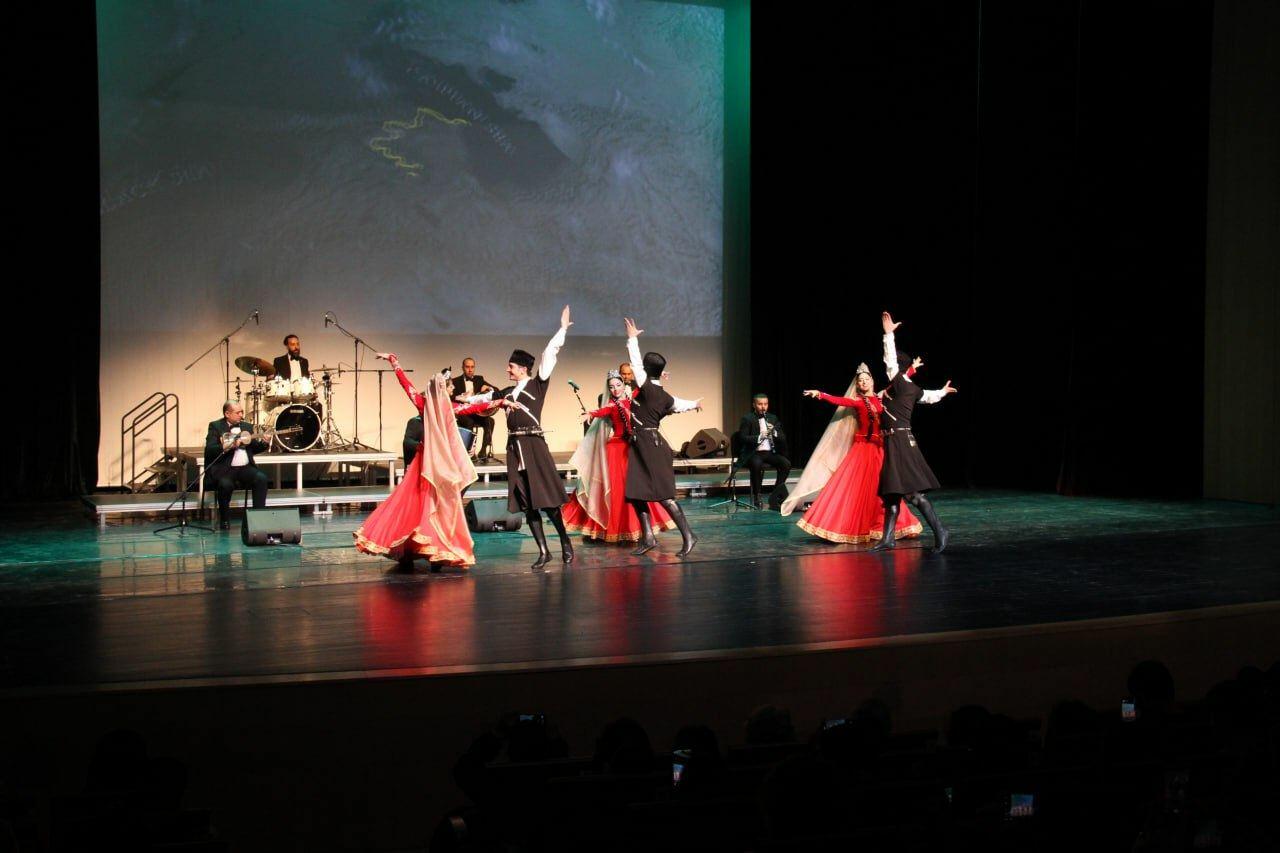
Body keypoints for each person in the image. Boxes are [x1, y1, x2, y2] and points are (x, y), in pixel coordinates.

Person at [466, 306, 575, 569]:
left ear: (523, 368)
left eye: (511, 366)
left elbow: (549, 354)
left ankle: (565, 542)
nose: (507, 369)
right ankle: (543, 551)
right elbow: (483, 400)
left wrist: (562, 329)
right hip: (515, 449)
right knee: (528, 503)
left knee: (547, 501)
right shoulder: (506, 392)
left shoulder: (538, 384)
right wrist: (463, 400)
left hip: (534, 446)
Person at [354, 354, 483, 567]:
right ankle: (428, 549)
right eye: (450, 387)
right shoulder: (448, 408)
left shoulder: (425, 404)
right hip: (433, 464)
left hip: (427, 462)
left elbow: (406, 385)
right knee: (427, 504)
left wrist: (394, 362)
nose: (452, 389)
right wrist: (501, 402)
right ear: (443, 389)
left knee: (418, 505)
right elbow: (473, 408)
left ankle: (424, 549)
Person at [780, 363, 922, 543]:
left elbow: (897, 384)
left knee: (884, 488)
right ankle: (854, 526)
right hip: (863, 450)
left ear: (872, 381)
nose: (863, 383)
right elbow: (839, 400)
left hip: (880, 449)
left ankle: (884, 526)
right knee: (861, 488)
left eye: (866, 379)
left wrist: (912, 369)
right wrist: (820, 394)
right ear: (857, 385)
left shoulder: (881, 397)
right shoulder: (857, 401)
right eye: (860, 381)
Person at [871, 311, 957, 552]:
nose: (889, 369)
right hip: (896, 441)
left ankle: (940, 530)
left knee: (912, 494)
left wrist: (888, 335)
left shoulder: (899, 383)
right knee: (891, 493)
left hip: (899, 441)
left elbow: (890, 361)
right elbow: (928, 397)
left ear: (899, 369)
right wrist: (942, 392)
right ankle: (888, 538)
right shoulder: (910, 387)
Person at [561, 371, 680, 543]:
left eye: (618, 385)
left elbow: (648, 391)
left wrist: (657, 375)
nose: (615, 389)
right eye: (611, 387)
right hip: (617, 449)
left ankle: (640, 529)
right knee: (618, 489)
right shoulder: (612, 405)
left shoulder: (634, 399)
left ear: (624, 385)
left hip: (634, 447)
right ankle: (617, 528)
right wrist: (590, 414)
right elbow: (602, 410)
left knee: (640, 487)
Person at [623, 317, 702, 557]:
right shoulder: (661, 394)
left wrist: (632, 338)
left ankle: (689, 535)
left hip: (651, 446)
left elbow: (635, 362)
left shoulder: (647, 388)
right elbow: (679, 404)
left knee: (664, 496)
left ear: (647, 371)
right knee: (635, 493)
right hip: (641, 444)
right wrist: (694, 404)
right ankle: (648, 537)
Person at [203, 401, 270, 530]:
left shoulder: (247, 426)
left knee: (261, 478)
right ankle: (224, 520)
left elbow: (254, 448)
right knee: (225, 485)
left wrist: (264, 443)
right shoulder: (215, 426)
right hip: (224, 469)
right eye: (238, 412)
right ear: (227, 414)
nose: (241, 415)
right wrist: (227, 446)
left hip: (244, 468)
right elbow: (210, 450)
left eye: (242, 412)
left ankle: (258, 517)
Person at [735, 393, 792, 509]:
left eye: (765, 404)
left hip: (769, 453)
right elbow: (742, 438)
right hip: (753, 452)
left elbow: (782, 438)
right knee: (756, 464)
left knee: (786, 464)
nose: (763, 407)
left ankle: (776, 493)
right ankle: (757, 496)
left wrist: (774, 432)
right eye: (760, 404)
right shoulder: (747, 419)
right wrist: (759, 437)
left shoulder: (773, 418)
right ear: (754, 405)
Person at [450, 357, 496, 461]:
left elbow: (496, 390)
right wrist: (461, 397)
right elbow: (450, 397)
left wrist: (489, 388)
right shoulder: (455, 381)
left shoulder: (479, 379)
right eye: (467, 367)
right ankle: (470, 451)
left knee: (490, 421)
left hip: (476, 413)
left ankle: (483, 450)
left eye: (472, 367)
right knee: (469, 422)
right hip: (463, 413)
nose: (470, 370)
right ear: (462, 368)